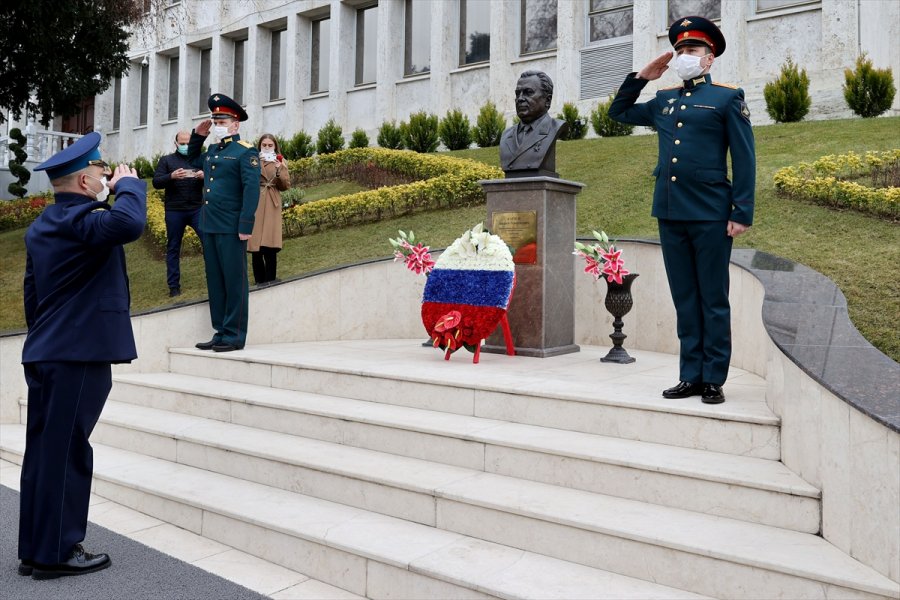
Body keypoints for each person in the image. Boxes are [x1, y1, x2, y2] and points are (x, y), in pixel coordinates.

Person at [608, 16, 756, 405]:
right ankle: (690, 375)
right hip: (671, 212)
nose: (684, 56)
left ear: (709, 59)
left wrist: (741, 211)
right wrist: (642, 76)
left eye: (692, 51)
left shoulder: (727, 97)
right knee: (685, 297)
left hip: (710, 211)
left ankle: (713, 378)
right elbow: (618, 113)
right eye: (680, 51)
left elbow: (744, 158)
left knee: (712, 297)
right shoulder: (664, 99)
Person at [19, 132, 146, 579]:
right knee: (69, 451)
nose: (107, 177)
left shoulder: (43, 225)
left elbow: (32, 296)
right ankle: (58, 552)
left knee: (44, 452)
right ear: (84, 182)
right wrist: (131, 186)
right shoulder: (85, 219)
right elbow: (129, 225)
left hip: (48, 350)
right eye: (101, 173)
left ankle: (35, 549)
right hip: (77, 354)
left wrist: (48, 337)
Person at [186, 93, 260, 353]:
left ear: (236, 124)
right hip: (210, 224)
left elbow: (251, 190)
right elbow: (191, 161)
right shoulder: (212, 150)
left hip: (231, 226)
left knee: (234, 280)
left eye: (223, 119)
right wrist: (198, 136)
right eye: (215, 118)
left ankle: (235, 335)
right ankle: (220, 331)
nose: (218, 122)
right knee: (215, 280)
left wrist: (245, 225)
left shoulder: (245, 151)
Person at [152, 130, 204, 297]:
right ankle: (174, 286)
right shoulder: (167, 160)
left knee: (209, 242)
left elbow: (215, 177)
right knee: (173, 247)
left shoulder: (199, 159)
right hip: (175, 211)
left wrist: (205, 175)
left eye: (188, 143)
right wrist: (171, 176)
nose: (185, 146)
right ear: (176, 144)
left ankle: (215, 278)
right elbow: (156, 182)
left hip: (197, 208)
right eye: (182, 143)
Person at [499, 70, 567, 177]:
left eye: (528, 92)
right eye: (518, 93)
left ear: (547, 100)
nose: (520, 98)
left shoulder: (554, 128)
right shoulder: (506, 135)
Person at [248, 134, 290, 285]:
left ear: (275, 146)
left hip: (272, 203)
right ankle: (259, 280)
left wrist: (280, 170)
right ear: (259, 145)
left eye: (269, 145)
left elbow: (285, 186)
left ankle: (271, 279)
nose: (266, 147)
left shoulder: (280, 161)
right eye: (264, 145)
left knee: (270, 244)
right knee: (256, 245)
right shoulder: (252, 160)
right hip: (256, 202)